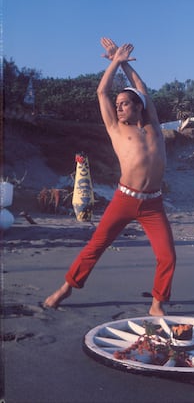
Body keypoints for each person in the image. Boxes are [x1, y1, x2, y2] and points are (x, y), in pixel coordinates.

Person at [43, 38, 176, 316]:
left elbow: (143, 90)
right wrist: (115, 62)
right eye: (118, 104)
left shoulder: (153, 127)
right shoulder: (116, 129)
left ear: (138, 107)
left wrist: (125, 64)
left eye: (125, 103)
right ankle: (65, 288)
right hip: (125, 199)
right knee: (96, 246)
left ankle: (156, 305)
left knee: (167, 256)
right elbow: (102, 92)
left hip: (153, 204)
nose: (119, 107)